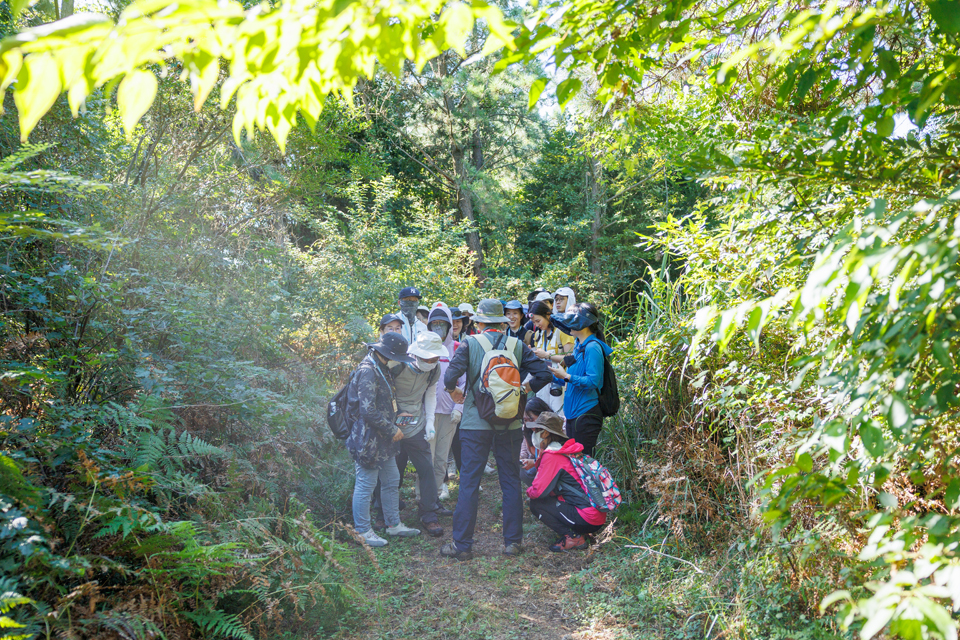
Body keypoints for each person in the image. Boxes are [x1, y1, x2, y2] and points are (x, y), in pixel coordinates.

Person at [439, 299, 553, 560]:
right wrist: (524, 389)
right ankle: (512, 543)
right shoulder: (517, 345)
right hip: (510, 421)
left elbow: (448, 377)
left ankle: (462, 545)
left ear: (478, 323)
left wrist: (453, 391)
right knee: (510, 481)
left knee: (469, 481)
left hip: (474, 423)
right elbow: (544, 374)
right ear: (502, 323)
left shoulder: (470, 343)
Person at [346, 332, 421, 547]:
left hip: (383, 439)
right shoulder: (368, 370)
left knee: (391, 480)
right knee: (366, 484)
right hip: (368, 439)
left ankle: (393, 524)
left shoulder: (381, 365)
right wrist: (391, 428)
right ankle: (362, 531)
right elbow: (367, 410)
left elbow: (382, 403)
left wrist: (397, 418)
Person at [389, 331, 449, 537]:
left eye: (435, 358)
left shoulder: (434, 369)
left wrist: (430, 422)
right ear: (417, 353)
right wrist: (395, 414)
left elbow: (431, 393)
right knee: (392, 469)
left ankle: (429, 514)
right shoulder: (396, 364)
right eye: (428, 357)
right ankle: (385, 511)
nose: (431, 361)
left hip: (417, 423)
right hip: (392, 424)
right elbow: (384, 392)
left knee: (426, 469)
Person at [525, 411, 606, 552]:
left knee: (536, 504)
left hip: (587, 517)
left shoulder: (552, 456)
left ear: (545, 434)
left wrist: (528, 491)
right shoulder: (567, 449)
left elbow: (538, 492)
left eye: (537, 431)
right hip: (596, 514)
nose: (534, 434)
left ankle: (573, 537)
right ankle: (580, 531)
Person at [548, 303, 613, 457]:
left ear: (583, 324)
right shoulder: (579, 345)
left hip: (586, 414)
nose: (567, 324)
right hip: (574, 415)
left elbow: (593, 381)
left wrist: (566, 376)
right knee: (574, 463)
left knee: (583, 463)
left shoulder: (592, 347)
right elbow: (574, 378)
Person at [427, 303, 464, 503]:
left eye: (443, 324)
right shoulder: (422, 347)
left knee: (441, 457)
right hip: (428, 413)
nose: (439, 327)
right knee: (427, 457)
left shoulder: (457, 349)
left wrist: (459, 407)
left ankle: (438, 492)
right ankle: (423, 495)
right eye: (435, 323)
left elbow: (465, 381)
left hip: (450, 413)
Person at [528, 300, 574, 415]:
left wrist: (548, 355)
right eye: (534, 322)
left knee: (559, 418)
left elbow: (571, 359)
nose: (537, 325)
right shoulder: (538, 335)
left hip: (559, 384)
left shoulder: (562, 331)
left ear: (548, 315)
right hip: (542, 384)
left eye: (538, 321)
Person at [519, 397, 551, 486]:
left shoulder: (557, 428)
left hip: (553, 467)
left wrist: (535, 463)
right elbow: (524, 451)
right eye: (525, 420)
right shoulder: (527, 430)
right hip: (538, 464)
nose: (529, 423)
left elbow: (558, 457)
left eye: (531, 419)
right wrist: (521, 458)